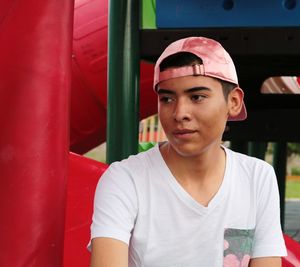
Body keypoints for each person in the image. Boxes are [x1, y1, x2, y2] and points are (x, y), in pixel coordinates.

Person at [89, 36, 287, 267]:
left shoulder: (257, 177)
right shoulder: (125, 179)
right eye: (167, 99)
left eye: (197, 97)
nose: (179, 113)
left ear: (233, 101)